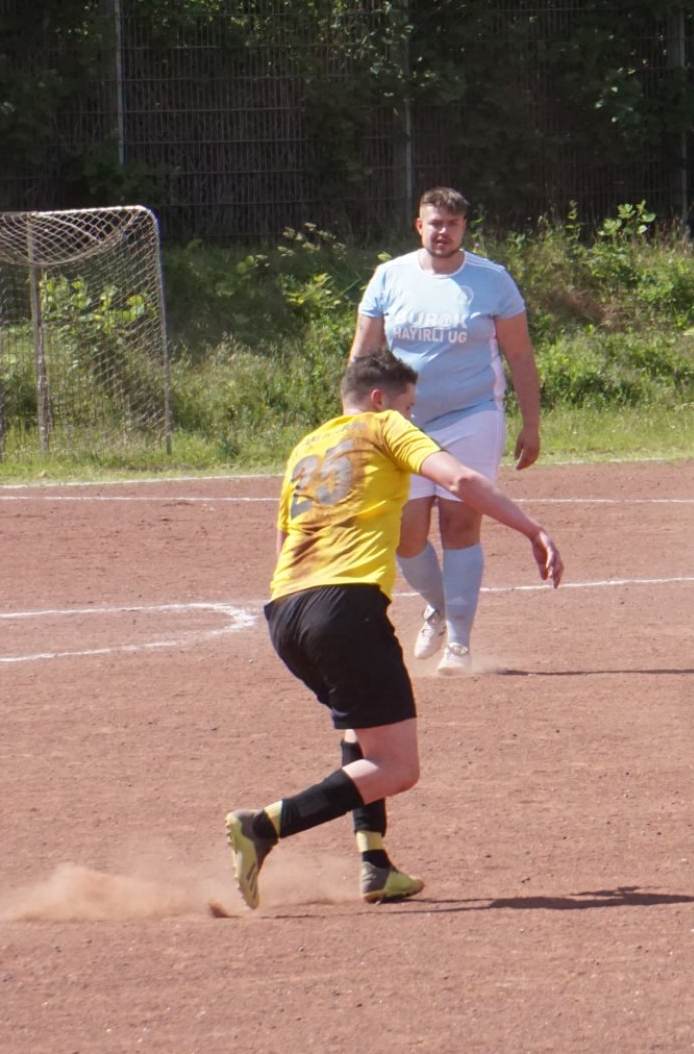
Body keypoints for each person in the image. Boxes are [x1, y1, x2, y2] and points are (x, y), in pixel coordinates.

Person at [225, 349, 564, 910]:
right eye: (408, 408)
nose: (412, 420)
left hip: (285, 611)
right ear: (380, 400)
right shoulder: (384, 428)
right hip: (345, 606)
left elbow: (284, 538)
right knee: (397, 767)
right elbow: (460, 478)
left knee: (360, 735)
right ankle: (262, 826)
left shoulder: (307, 447)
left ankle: (375, 864)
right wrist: (533, 529)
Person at [348, 187, 544, 675]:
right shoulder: (390, 276)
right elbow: (363, 354)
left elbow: (520, 354)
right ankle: (438, 605)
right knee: (405, 535)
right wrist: (354, 421)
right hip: (402, 422)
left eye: (452, 224)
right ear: (419, 225)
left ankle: (458, 642)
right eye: (434, 223)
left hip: (472, 414)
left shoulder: (491, 280)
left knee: (460, 526)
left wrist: (532, 423)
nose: (443, 232)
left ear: (463, 228)